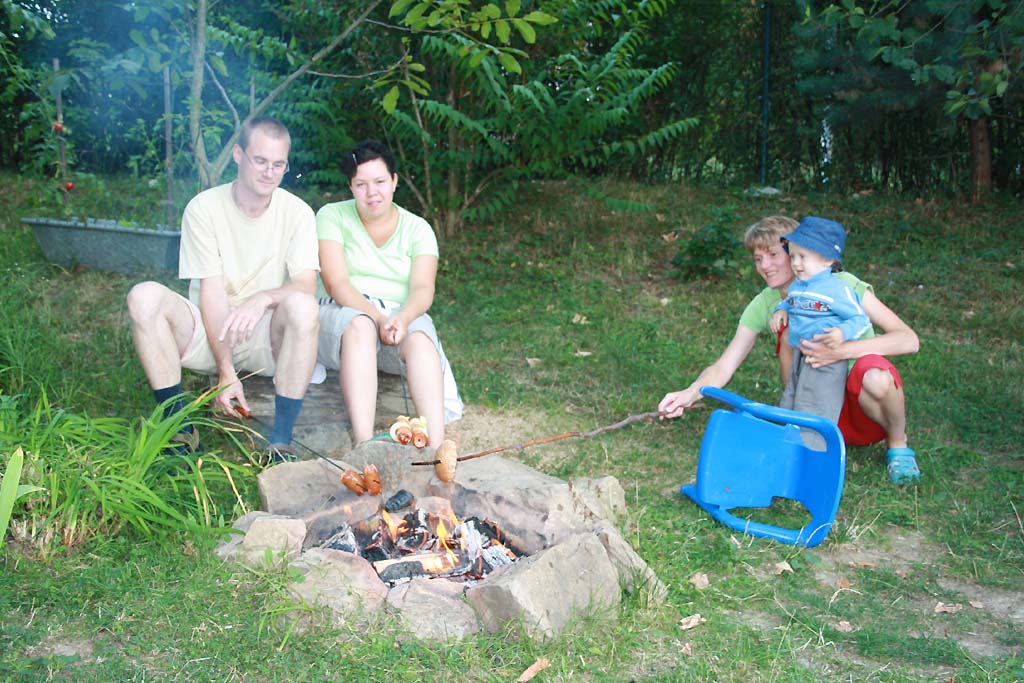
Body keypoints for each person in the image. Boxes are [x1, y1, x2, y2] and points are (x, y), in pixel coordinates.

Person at [658, 215, 921, 485]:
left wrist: (841, 351)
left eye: (773, 255)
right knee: (787, 334)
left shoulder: (841, 285)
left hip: (861, 406)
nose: (765, 266)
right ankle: (795, 424)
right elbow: (725, 364)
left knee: (875, 376)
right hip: (811, 401)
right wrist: (690, 393)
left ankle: (897, 442)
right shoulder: (767, 302)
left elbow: (908, 340)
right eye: (758, 259)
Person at [126, 116, 320, 460]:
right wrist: (226, 371)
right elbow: (212, 292)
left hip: (265, 337)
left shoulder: (298, 213)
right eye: (260, 161)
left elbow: (306, 285)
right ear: (238, 155)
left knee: (305, 307)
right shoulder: (204, 208)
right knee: (143, 297)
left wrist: (263, 298)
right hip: (208, 328)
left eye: (278, 165)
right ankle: (180, 430)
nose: (269, 172)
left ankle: (280, 442)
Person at [316, 140, 462, 449]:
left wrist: (403, 318)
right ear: (351, 186)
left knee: (422, 342)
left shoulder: (418, 229)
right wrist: (377, 317)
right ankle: (364, 445)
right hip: (344, 313)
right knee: (360, 326)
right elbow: (336, 283)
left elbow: (423, 288)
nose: (372, 193)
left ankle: (435, 450)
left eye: (380, 182)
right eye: (361, 184)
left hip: (399, 314)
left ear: (394, 181)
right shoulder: (331, 216)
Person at [769, 217, 871, 449]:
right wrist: (781, 310)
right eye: (792, 256)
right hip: (800, 352)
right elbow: (790, 302)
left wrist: (842, 332)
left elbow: (860, 319)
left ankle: (814, 448)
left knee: (818, 402)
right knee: (793, 394)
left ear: (827, 259)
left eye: (802, 257)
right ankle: (788, 439)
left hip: (827, 358)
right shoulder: (798, 285)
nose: (796, 263)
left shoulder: (837, 289)